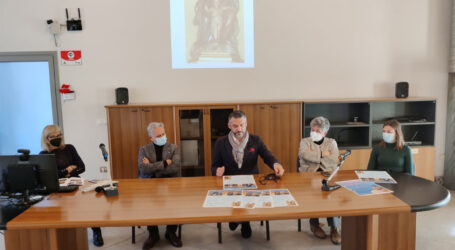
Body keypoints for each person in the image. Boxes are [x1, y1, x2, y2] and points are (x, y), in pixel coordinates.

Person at [212, 110, 285, 238]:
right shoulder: (220, 143)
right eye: (235, 126)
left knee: (246, 199)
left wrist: (275, 164)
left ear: (246, 124)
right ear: (229, 126)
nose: (239, 129)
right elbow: (214, 166)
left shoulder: (255, 140)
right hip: (230, 182)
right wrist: (217, 171)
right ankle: (237, 220)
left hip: (251, 181)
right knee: (235, 200)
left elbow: (267, 155)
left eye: (242, 125)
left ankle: (242, 222)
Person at [40, 125, 104, 247]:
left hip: (75, 182)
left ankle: (97, 232)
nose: (57, 138)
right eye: (53, 136)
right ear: (46, 139)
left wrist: (63, 172)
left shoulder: (69, 148)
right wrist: (67, 170)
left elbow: (81, 167)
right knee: (60, 211)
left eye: (59, 135)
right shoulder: (43, 154)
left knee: (89, 206)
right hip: (57, 188)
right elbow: (50, 176)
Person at [138, 122, 182, 249]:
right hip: (150, 185)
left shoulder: (173, 148)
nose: (162, 137)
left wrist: (152, 166)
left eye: (163, 134)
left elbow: (174, 167)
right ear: (151, 138)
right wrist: (163, 163)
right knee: (149, 205)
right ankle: (153, 234)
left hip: (170, 183)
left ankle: (171, 232)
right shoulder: (144, 149)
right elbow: (143, 169)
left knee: (174, 204)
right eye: (158, 135)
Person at [298, 116, 340, 245]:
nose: (314, 133)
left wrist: (314, 155)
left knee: (331, 197)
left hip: (327, 175)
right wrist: (323, 154)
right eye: (312, 129)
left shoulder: (331, 142)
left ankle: (334, 227)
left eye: (318, 131)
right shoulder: (304, 141)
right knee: (313, 195)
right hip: (308, 175)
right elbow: (304, 155)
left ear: (325, 133)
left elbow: (334, 159)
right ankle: (314, 224)